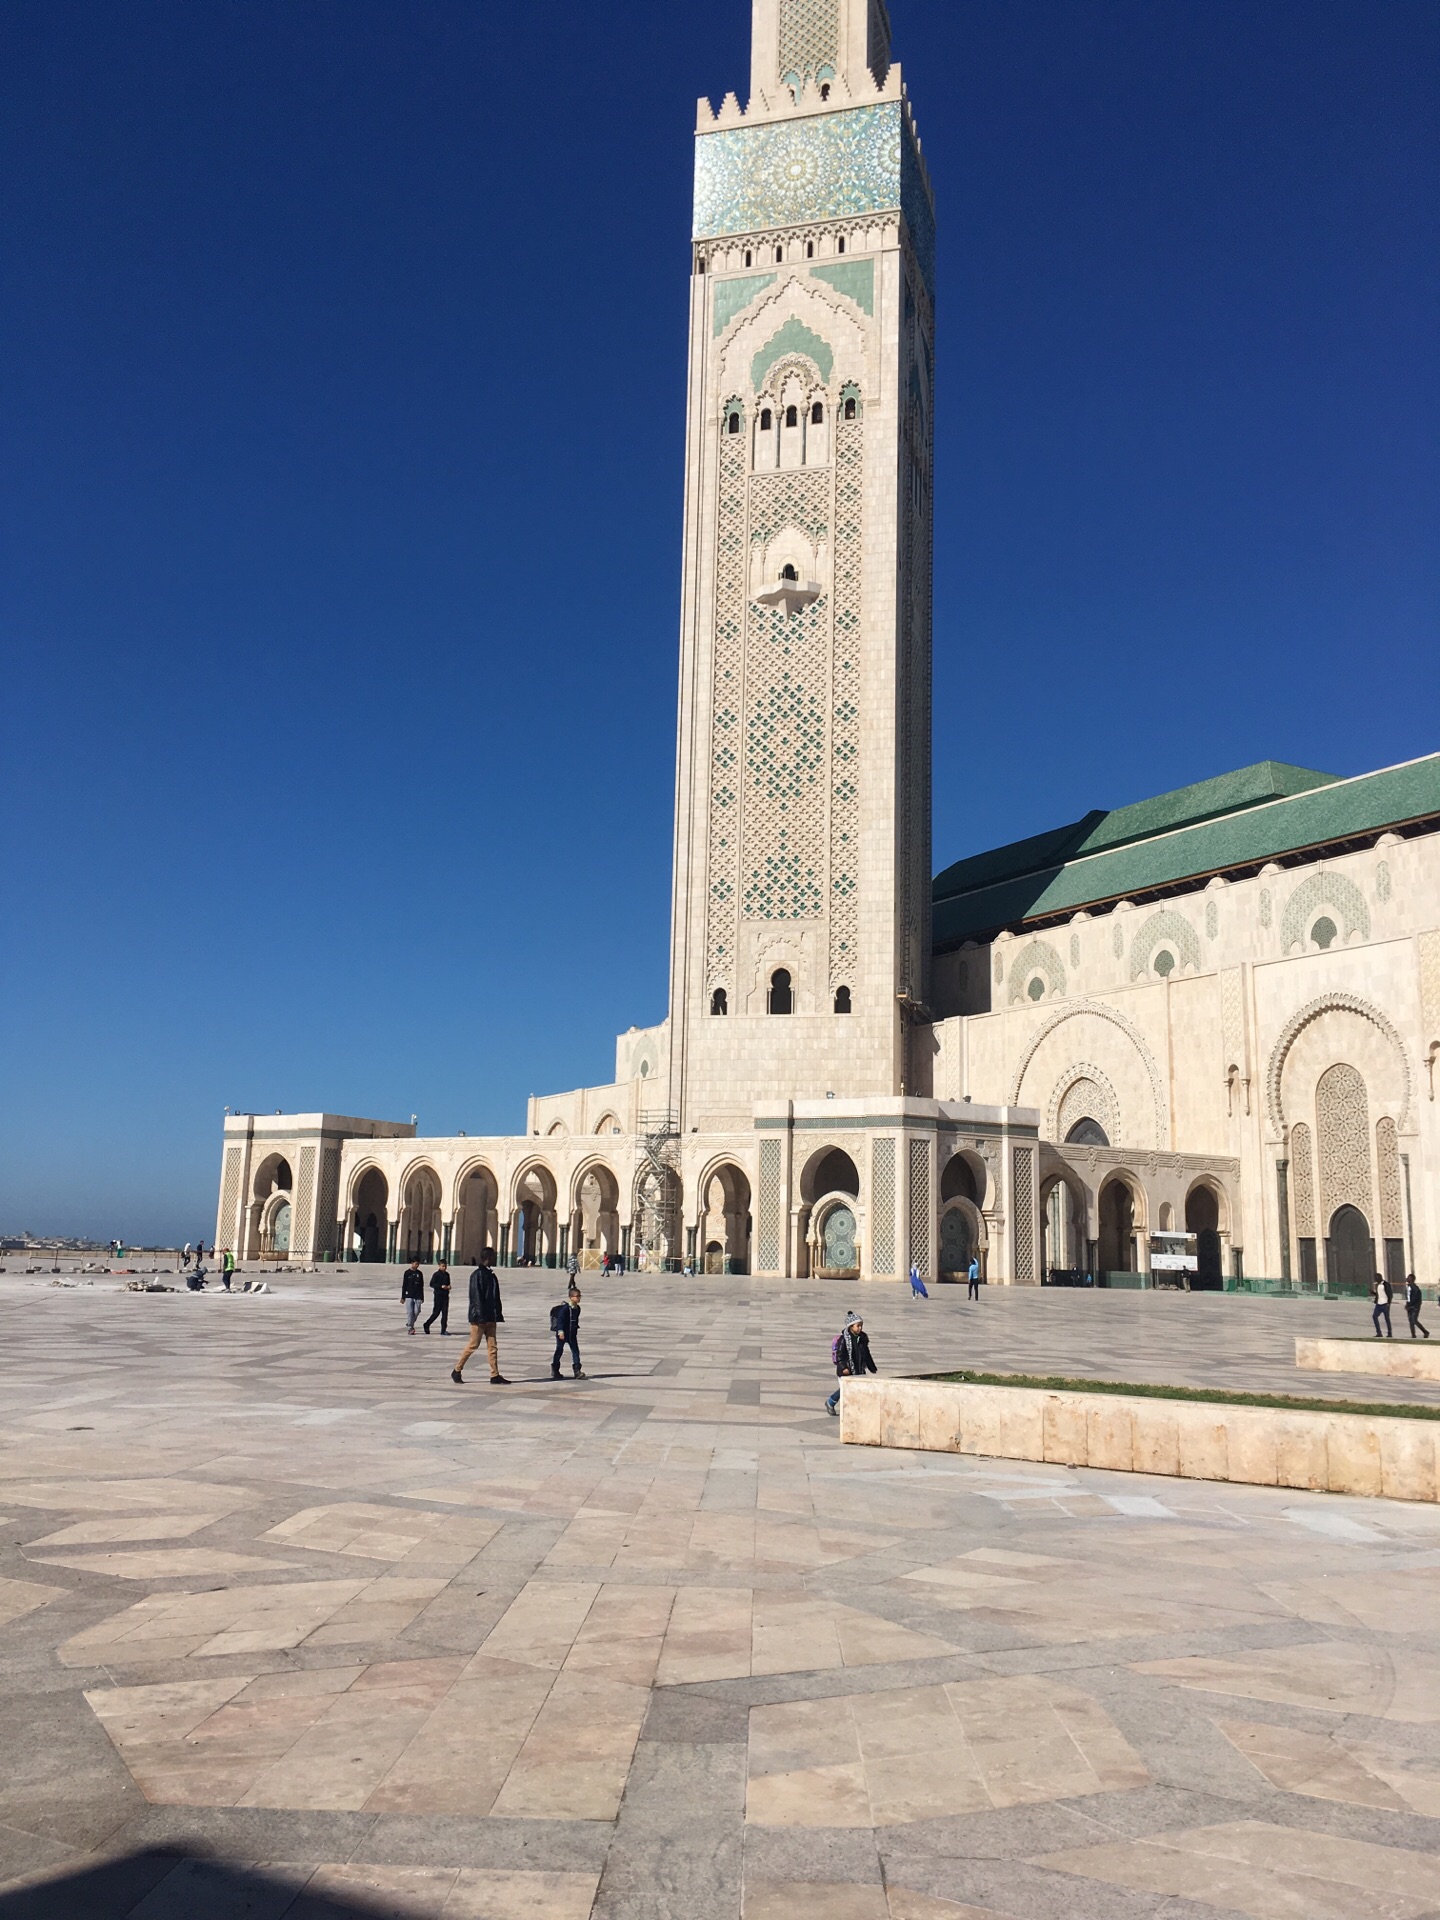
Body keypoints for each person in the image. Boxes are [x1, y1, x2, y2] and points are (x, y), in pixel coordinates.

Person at [453, 1250, 508, 1384]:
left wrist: (496, 1314)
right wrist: (479, 1316)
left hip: (490, 1316)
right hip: (480, 1318)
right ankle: (457, 1370)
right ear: (488, 1258)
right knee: (473, 1344)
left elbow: (495, 1297)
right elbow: (475, 1297)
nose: (495, 1259)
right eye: (493, 1257)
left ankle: (495, 1374)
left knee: (492, 1346)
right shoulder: (477, 1275)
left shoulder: (491, 1275)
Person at [826, 1310, 876, 1416]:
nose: (860, 1328)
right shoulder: (844, 1340)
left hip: (858, 1368)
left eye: (861, 1326)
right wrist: (844, 1367)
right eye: (858, 1326)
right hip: (846, 1370)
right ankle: (831, 1402)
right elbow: (840, 1356)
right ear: (851, 1327)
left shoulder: (862, 1339)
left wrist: (872, 1367)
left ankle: (856, 1409)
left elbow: (866, 1354)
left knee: (857, 1389)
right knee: (845, 1390)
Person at [550, 1283, 585, 1378]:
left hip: (572, 1334)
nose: (579, 1298)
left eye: (579, 1296)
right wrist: (560, 1331)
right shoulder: (565, 1308)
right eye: (577, 1296)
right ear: (571, 1297)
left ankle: (577, 1370)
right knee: (559, 1350)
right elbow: (560, 1320)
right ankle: (555, 1369)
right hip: (563, 1334)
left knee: (575, 1351)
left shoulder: (577, 1308)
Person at [424, 1261, 452, 1334]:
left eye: (445, 1266)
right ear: (439, 1266)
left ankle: (443, 1329)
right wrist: (440, 1286)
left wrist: (448, 1287)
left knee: (445, 1313)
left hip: (445, 1296)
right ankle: (427, 1324)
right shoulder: (436, 1275)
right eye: (442, 1266)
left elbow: (448, 1283)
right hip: (438, 1296)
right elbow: (432, 1284)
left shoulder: (447, 1275)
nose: (444, 1268)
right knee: (436, 1312)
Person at [401, 1259, 425, 1334]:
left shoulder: (419, 1273)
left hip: (417, 1295)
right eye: (415, 1264)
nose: (416, 1265)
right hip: (409, 1295)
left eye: (418, 1264)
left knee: (417, 1311)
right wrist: (403, 1297)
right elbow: (404, 1285)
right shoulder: (407, 1273)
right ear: (412, 1263)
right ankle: (410, 1328)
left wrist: (422, 1297)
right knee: (410, 1312)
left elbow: (421, 1286)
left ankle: (409, 1323)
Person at [1403, 1274, 1430, 1340]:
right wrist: (1407, 1304)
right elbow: (1409, 1297)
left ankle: (1425, 1332)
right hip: (1410, 1305)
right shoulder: (1409, 1287)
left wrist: (1410, 1305)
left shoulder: (1414, 1287)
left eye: (1408, 1278)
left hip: (1414, 1306)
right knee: (1411, 1321)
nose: (1407, 1279)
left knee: (1414, 1320)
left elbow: (1415, 1298)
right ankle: (1413, 1334)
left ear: (1412, 1279)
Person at [1372, 1271, 1393, 1338]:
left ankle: (1389, 1333)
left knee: (1387, 1318)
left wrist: (1389, 1303)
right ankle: (1379, 1332)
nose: (1375, 1279)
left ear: (1380, 1278)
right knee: (1374, 1316)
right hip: (1379, 1304)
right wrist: (1373, 1293)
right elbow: (1379, 1294)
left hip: (1385, 1304)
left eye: (1376, 1278)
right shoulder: (1377, 1285)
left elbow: (1390, 1294)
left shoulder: (1386, 1284)